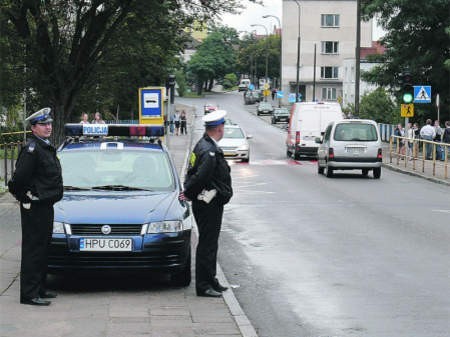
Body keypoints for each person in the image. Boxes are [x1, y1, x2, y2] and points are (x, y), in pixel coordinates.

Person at [7, 108, 63, 306]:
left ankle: (39, 288)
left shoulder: (44, 147)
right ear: (33, 128)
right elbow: (18, 180)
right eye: (43, 124)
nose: (48, 127)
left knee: (43, 248)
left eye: (49, 124)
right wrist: (26, 198)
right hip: (35, 207)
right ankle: (29, 294)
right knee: (33, 250)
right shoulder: (32, 150)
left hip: (46, 204)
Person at [183, 110, 233, 298]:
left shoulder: (203, 145)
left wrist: (189, 192)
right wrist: (188, 193)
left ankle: (211, 279)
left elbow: (193, 172)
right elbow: (200, 176)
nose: (224, 129)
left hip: (209, 202)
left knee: (211, 243)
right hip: (208, 204)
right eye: (223, 127)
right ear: (219, 128)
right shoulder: (209, 151)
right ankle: (203, 285)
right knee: (207, 244)